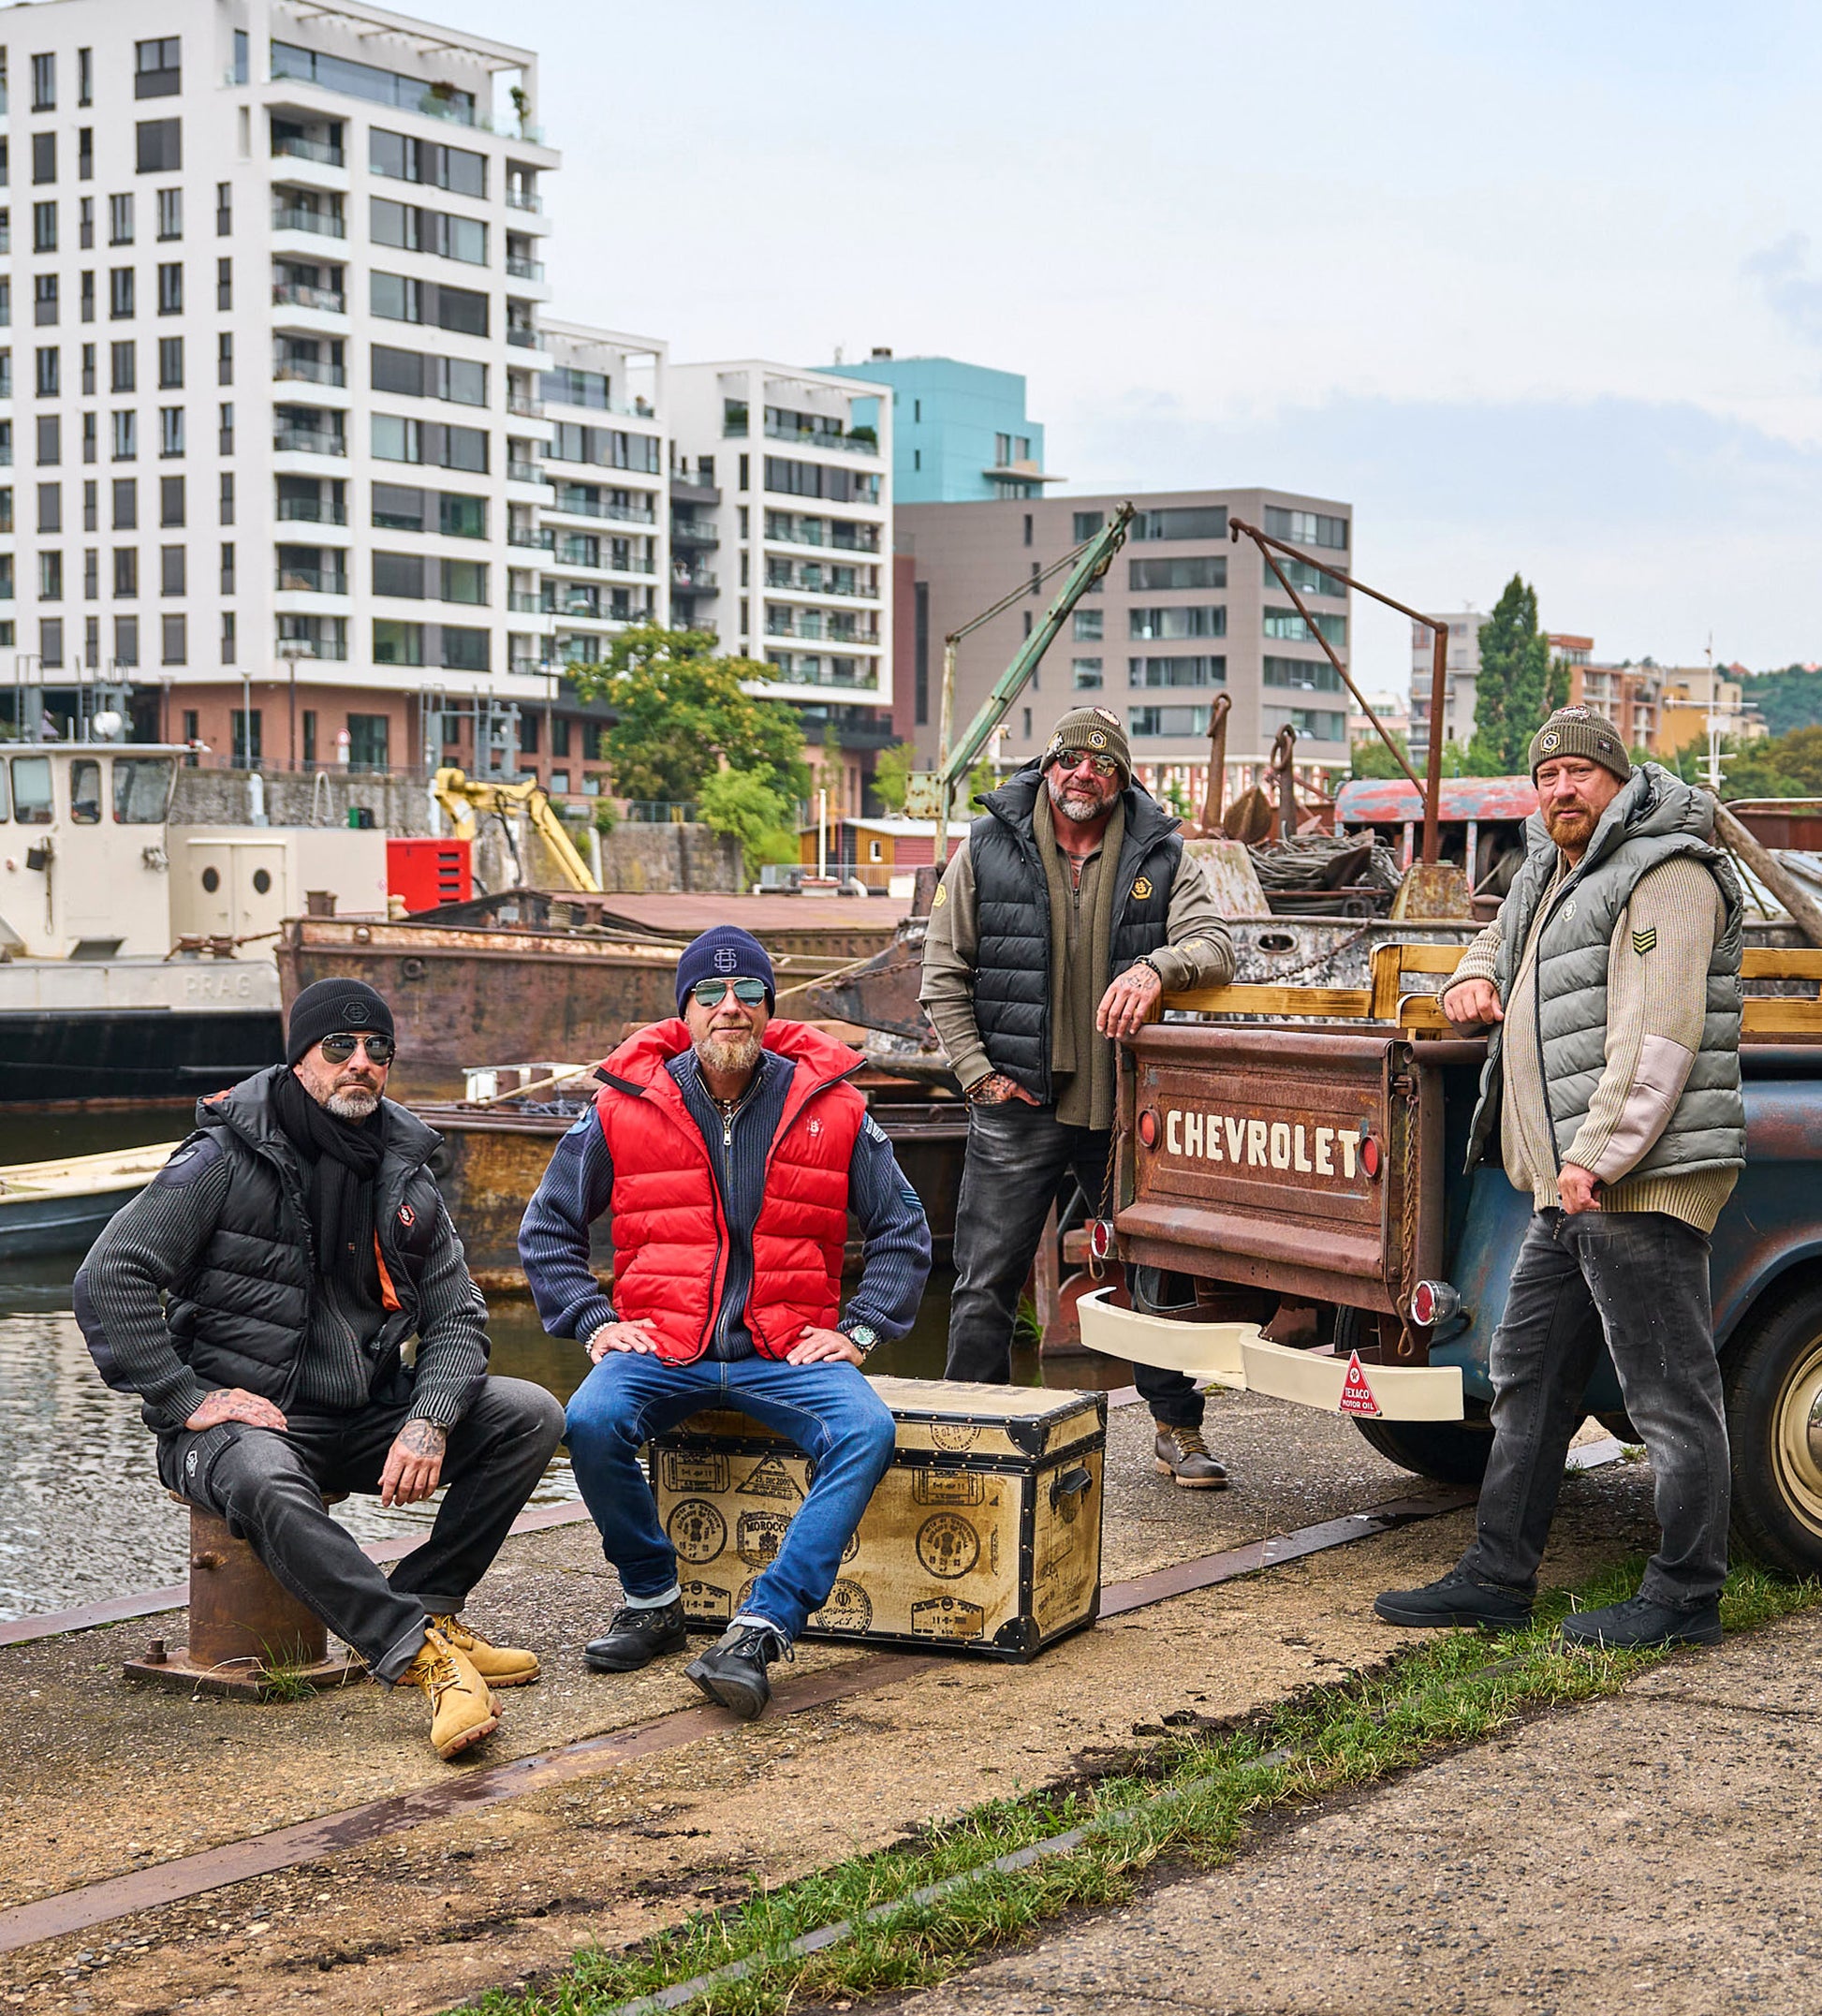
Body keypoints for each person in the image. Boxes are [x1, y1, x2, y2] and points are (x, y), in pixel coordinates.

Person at [74, 979, 566, 1758]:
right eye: (340, 1047)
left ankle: (428, 1603)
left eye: (379, 1050)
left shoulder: (402, 1167)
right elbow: (108, 1277)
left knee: (529, 1414)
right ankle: (420, 1655)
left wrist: (429, 1418)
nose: (361, 1064)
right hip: (239, 1426)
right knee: (268, 1477)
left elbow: (459, 1315)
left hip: (360, 1413)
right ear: (301, 1058)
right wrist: (185, 1395)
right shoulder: (223, 1157)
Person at [1374, 706, 1744, 1648]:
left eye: (1577, 773)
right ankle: (1496, 1578)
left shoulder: (1666, 874)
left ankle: (1685, 1596)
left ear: (1617, 780)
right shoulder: (1549, 869)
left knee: (1667, 1396)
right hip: (1568, 1188)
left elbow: (1654, 1035)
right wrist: (1468, 976)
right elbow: (1493, 943)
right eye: (1543, 778)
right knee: (1526, 1380)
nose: (1558, 791)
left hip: (1633, 1181)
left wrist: (1594, 1157)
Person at [519, 925, 932, 1721]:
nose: (730, 1008)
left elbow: (904, 1230)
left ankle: (762, 1628)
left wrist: (864, 1330)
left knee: (867, 1429)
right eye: (711, 994)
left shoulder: (834, 1105)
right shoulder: (623, 1103)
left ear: (771, 1010)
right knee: (592, 1419)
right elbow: (547, 1228)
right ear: (687, 1011)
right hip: (664, 1344)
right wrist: (594, 1321)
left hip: (785, 1348)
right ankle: (653, 1599)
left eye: (749, 995)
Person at [919, 704, 1237, 1488]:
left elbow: (1217, 946)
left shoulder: (1161, 852)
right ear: (1048, 768)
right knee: (985, 1278)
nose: (1081, 774)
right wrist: (976, 1073)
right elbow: (943, 973)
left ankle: (1176, 1430)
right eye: (1068, 760)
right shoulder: (988, 846)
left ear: (1120, 776)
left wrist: (1155, 969)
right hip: (1017, 1101)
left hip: (1123, 1111)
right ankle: (968, 1431)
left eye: (1099, 762)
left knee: (1154, 1273)